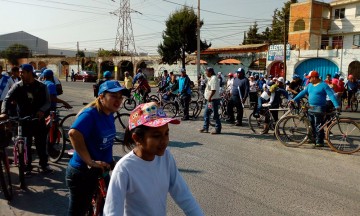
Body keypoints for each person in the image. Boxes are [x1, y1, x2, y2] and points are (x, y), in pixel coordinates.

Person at [103, 102, 204, 216]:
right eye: (156, 136)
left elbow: (183, 194)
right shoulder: (124, 169)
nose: (165, 140)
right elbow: (112, 211)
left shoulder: (166, 158)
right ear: (137, 138)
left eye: (166, 133)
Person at [65, 80, 127, 215]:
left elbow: (106, 142)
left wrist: (110, 161)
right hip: (82, 173)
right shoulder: (90, 114)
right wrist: (90, 161)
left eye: (120, 97)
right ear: (101, 97)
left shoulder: (110, 113)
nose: (118, 100)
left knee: (109, 207)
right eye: (113, 96)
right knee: (78, 212)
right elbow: (73, 134)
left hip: (101, 170)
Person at [0, 64, 52, 174]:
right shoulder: (17, 86)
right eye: (20, 72)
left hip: (38, 119)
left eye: (23, 72)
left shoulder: (42, 87)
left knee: (41, 144)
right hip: (23, 119)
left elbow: (48, 102)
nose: (20, 74)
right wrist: (4, 112)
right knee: (25, 144)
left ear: (29, 73)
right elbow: (7, 99)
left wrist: (42, 110)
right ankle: (27, 165)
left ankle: (44, 164)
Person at [291, 71, 340, 147]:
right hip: (310, 108)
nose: (308, 80)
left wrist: (336, 105)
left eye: (309, 78)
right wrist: (294, 99)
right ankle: (313, 138)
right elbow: (302, 93)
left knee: (318, 125)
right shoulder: (310, 85)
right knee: (311, 124)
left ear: (314, 77)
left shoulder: (324, 85)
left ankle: (319, 141)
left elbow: (331, 95)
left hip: (319, 108)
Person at [199, 67, 221, 134]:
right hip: (210, 101)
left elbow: (213, 90)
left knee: (215, 115)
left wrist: (209, 97)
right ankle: (205, 128)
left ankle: (218, 129)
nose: (206, 73)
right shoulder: (211, 78)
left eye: (207, 72)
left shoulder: (214, 78)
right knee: (206, 114)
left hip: (213, 100)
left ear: (210, 72)